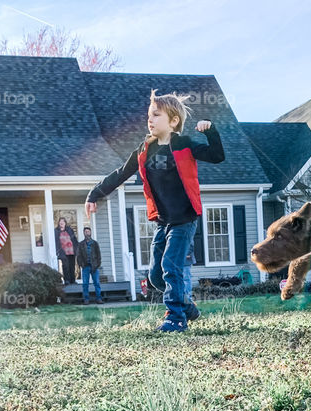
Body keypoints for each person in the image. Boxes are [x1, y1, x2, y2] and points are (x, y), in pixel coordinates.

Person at [85, 89, 224, 332]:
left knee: (171, 266)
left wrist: (210, 130)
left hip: (185, 218)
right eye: (149, 115)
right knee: (155, 277)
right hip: (163, 221)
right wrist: (94, 193)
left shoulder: (184, 144)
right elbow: (120, 174)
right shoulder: (143, 150)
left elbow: (217, 155)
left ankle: (176, 317)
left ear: (173, 121)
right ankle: (187, 306)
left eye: (156, 115)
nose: (150, 120)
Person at [77, 227, 103, 304]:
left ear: (90, 233)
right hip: (85, 266)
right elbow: (78, 256)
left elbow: (99, 255)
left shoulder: (95, 243)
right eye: (85, 232)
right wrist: (81, 264)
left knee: (97, 283)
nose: (87, 233)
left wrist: (97, 264)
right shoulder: (81, 244)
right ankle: (86, 299)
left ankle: (99, 298)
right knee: (85, 284)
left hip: (94, 266)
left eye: (88, 231)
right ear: (84, 233)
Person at [54, 217, 78, 284]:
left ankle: (73, 280)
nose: (61, 223)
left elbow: (74, 239)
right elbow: (55, 242)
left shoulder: (69, 230)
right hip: (63, 252)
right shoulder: (56, 231)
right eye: (60, 222)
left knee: (72, 266)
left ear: (65, 223)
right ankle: (67, 280)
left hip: (71, 251)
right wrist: (57, 251)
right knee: (65, 266)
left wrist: (76, 248)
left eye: (63, 222)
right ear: (58, 223)